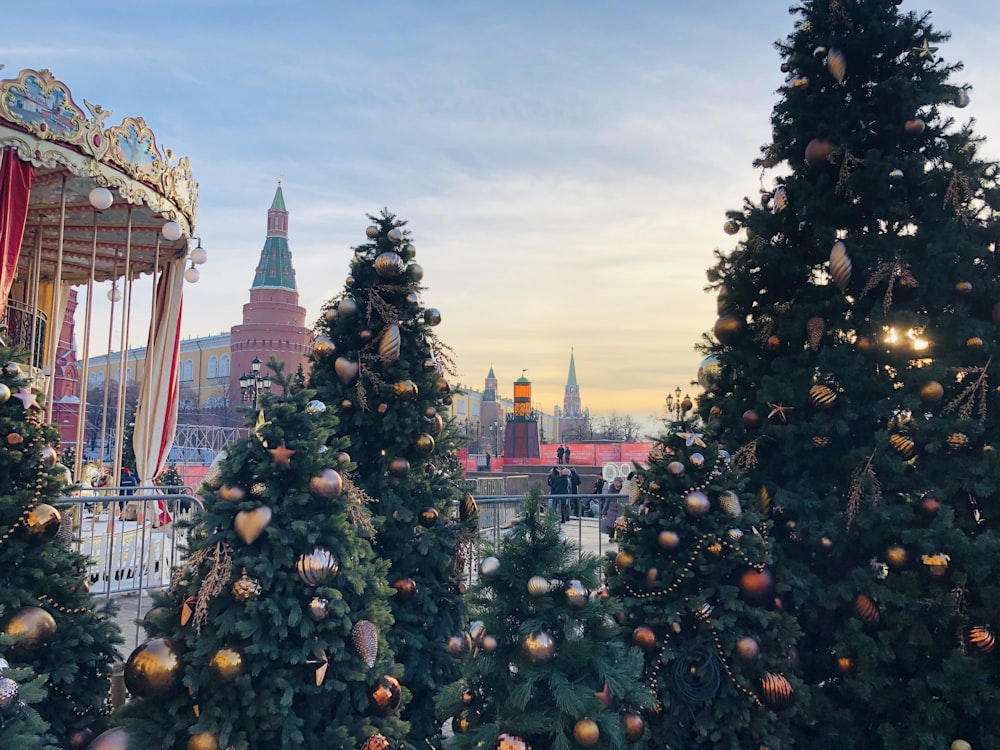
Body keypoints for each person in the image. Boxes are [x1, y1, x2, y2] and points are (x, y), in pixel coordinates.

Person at [602, 476, 626, 541]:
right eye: (616, 482)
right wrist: (604, 510)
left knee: (620, 524)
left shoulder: (623, 490)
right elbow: (607, 500)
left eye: (618, 483)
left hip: (619, 509)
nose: (617, 484)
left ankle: (619, 537)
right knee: (611, 524)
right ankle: (611, 537)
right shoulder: (611, 489)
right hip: (611, 509)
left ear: (621, 483)